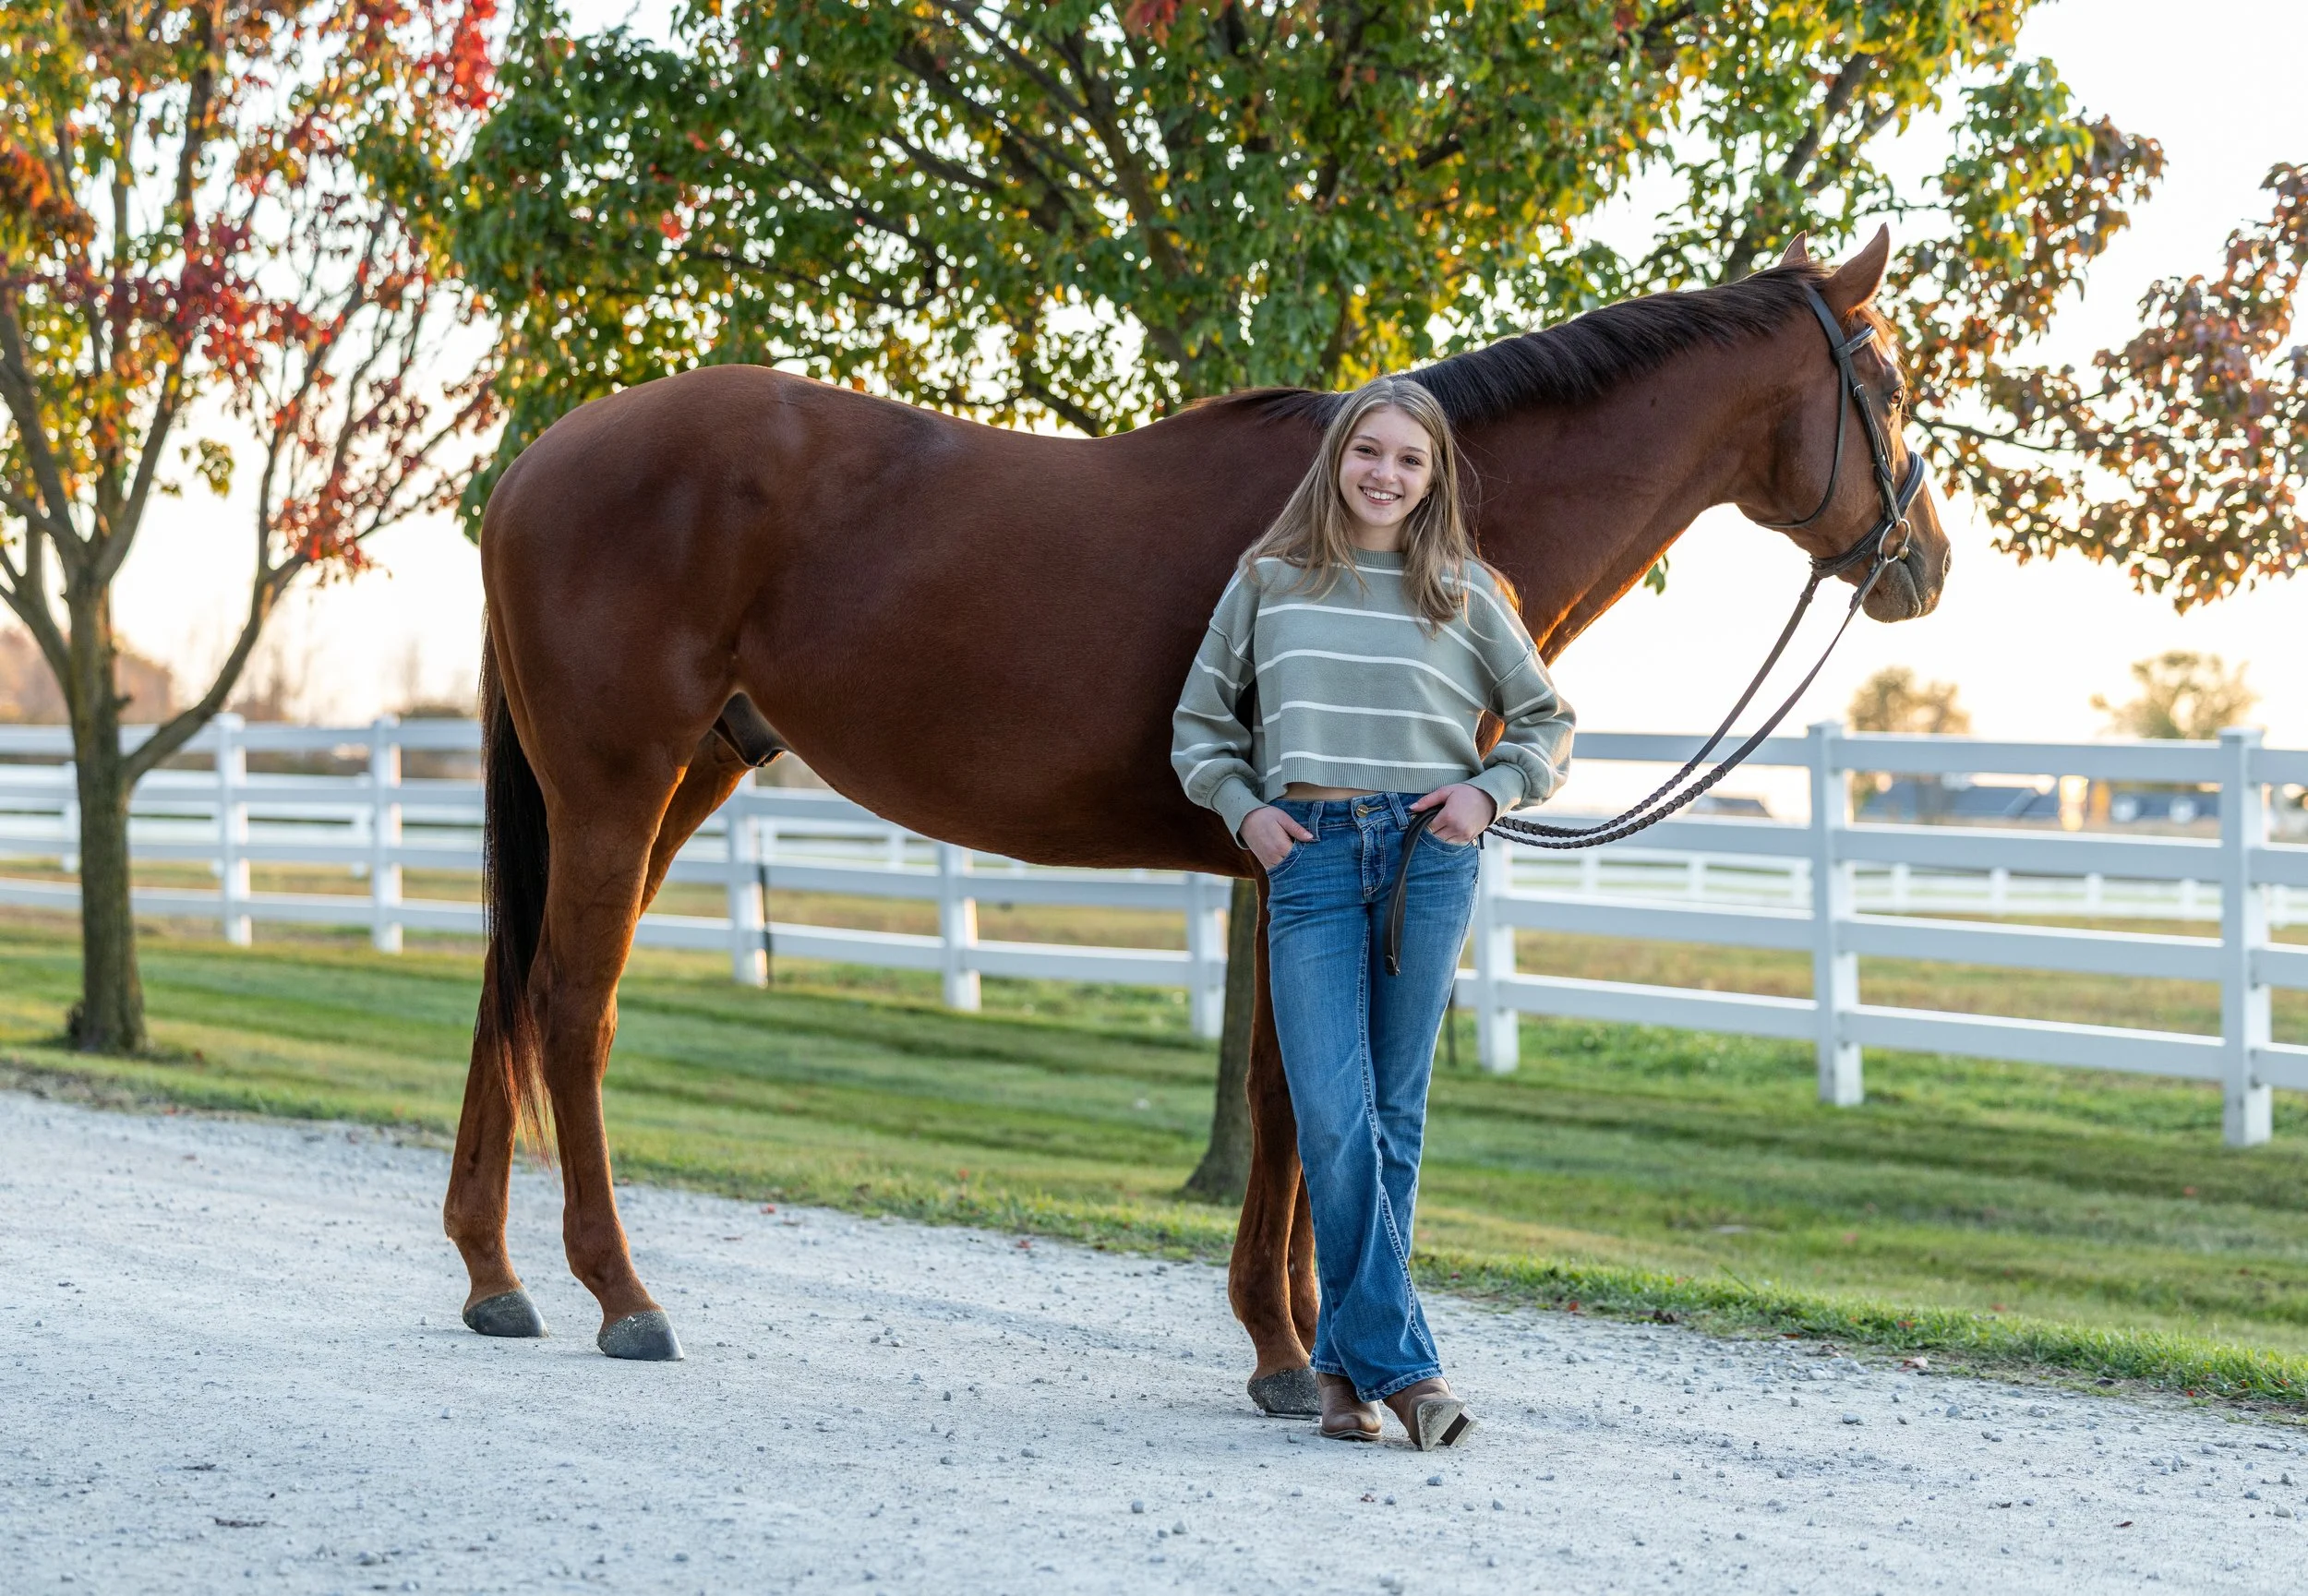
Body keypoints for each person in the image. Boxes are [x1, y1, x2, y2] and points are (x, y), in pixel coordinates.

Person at [1171, 376, 1574, 1449]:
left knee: (1393, 1119)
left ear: (1433, 476)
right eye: (1369, 452)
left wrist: (1489, 791)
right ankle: (1410, 1371)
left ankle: (1345, 1369)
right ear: (1337, 458)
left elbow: (1547, 721)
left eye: (1409, 459)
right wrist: (1244, 809)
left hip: (1426, 858)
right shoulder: (1269, 581)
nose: (1385, 474)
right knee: (1332, 1116)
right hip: (1306, 858)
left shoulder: (1463, 587)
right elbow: (1199, 725)